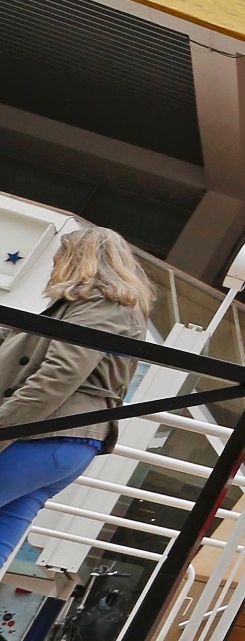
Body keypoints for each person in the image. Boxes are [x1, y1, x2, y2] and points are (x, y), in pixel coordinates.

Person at [0, 227, 153, 563]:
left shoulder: (103, 301)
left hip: (45, 433)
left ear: (76, 257)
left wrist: (3, 426)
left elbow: (60, 375)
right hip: (64, 441)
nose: (53, 261)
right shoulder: (102, 304)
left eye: (59, 253)